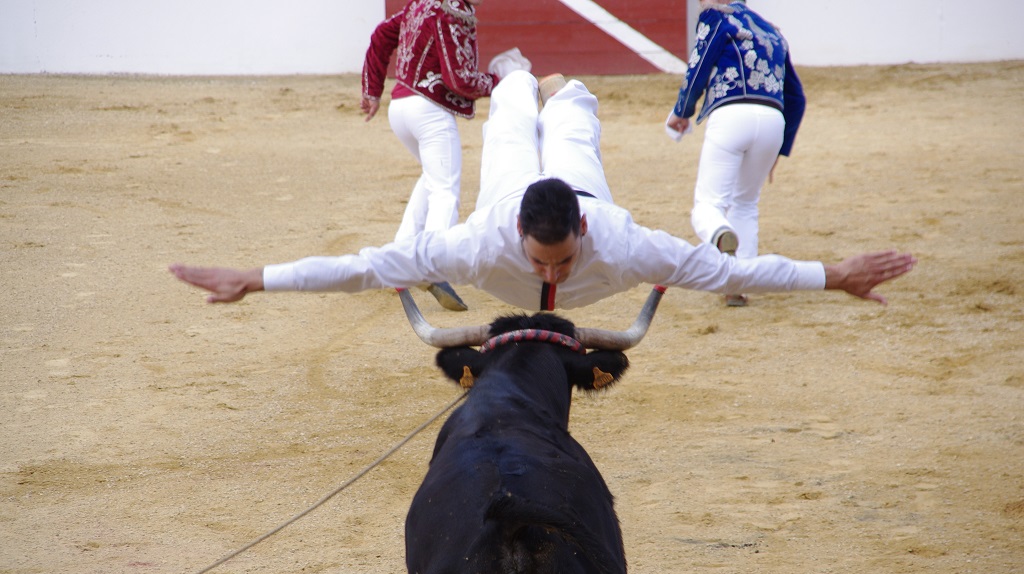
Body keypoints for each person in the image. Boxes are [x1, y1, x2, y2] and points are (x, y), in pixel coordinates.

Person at [170, 70, 915, 319]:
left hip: (580, 184)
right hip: (508, 189)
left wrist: (835, 275)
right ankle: (518, 74)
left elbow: (736, 271)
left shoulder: (621, 239)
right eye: (541, 262)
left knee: (570, 116)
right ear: (519, 239)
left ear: (582, 233)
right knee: (509, 116)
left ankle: (556, 85)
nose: (551, 274)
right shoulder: (481, 239)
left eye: (561, 263)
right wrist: (255, 279)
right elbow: (364, 266)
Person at [360, 0, 529, 311]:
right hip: (429, 112)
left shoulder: (421, 4)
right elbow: (459, 80)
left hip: (401, 108)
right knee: (445, 191)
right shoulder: (452, 10)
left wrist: (372, 89)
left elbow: (382, 34)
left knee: (433, 179)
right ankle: (432, 265)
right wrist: (500, 81)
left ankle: (398, 257)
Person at [665, 0, 805, 307]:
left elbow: (699, 67)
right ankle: (739, 285)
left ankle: (720, 235)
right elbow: (797, 98)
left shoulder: (716, 16)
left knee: (708, 205)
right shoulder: (773, 32)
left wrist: (682, 111)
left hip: (730, 115)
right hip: (773, 120)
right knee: (745, 204)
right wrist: (779, 151)